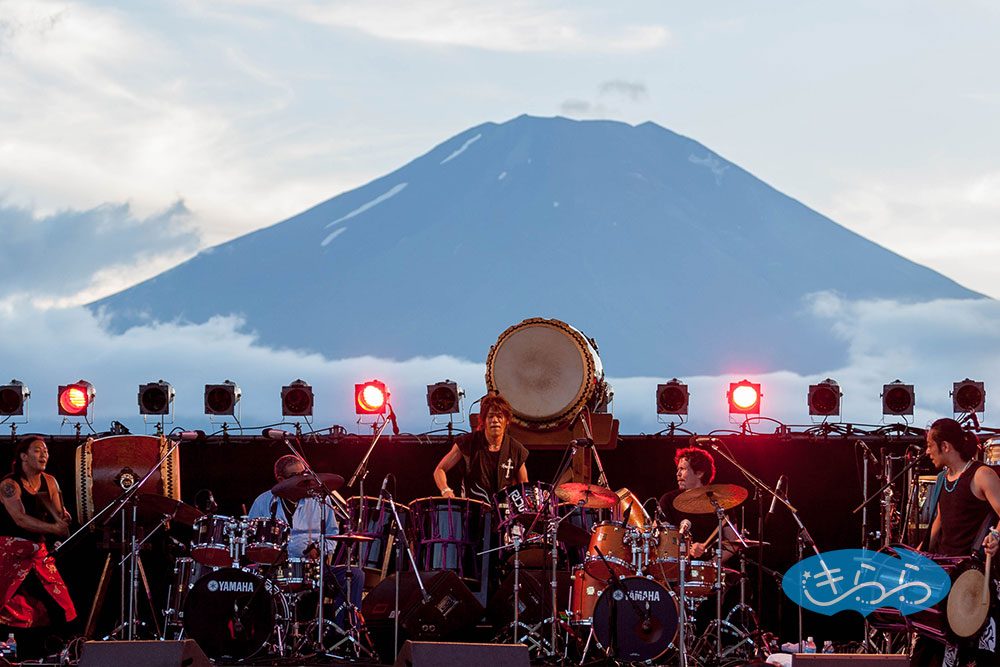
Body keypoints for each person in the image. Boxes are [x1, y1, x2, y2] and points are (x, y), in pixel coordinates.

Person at [911, 418, 1000, 667]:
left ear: (946, 446)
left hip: (971, 579)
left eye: (930, 445)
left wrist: (996, 536)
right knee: (924, 656)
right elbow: (941, 519)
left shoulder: (981, 475)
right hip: (943, 576)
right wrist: (920, 553)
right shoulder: (942, 479)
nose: (927, 451)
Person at [247, 455, 363, 633]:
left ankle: (344, 635)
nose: (303, 479)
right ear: (280, 479)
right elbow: (251, 538)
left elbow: (333, 534)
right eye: (296, 475)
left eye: (304, 473)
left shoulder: (320, 500)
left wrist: (320, 549)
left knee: (355, 575)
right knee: (244, 580)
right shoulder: (263, 502)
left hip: (313, 571)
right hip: (273, 572)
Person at [0, 436, 76, 658]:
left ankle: (63, 651)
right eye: (37, 451)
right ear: (23, 456)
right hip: (9, 555)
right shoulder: (8, 485)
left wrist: (63, 518)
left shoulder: (50, 481)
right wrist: (55, 528)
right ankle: (9, 653)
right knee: (7, 606)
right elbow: (21, 519)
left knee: (62, 605)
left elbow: (58, 513)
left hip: (37, 554)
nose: (44, 455)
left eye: (45, 451)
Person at [433, 392, 529, 504]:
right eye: (491, 416)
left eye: (499, 416)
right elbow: (439, 470)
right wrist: (445, 490)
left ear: (507, 421)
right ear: (483, 421)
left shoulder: (515, 448)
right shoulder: (468, 442)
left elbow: (524, 485)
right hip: (474, 512)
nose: (495, 420)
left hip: (504, 515)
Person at [658, 446, 740, 564]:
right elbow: (662, 540)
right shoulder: (668, 500)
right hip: (675, 569)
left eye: (683, 469)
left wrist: (710, 564)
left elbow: (733, 543)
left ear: (699, 473)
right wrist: (687, 549)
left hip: (710, 573)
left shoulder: (721, 503)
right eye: (678, 469)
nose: (678, 474)